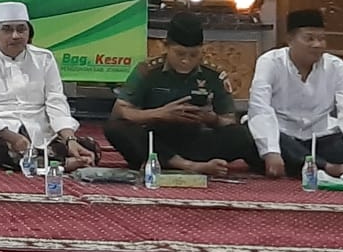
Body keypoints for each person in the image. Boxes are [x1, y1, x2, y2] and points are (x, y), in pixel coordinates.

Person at [103, 12, 258, 177]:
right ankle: (189, 166)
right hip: (155, 140)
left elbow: (229, 120)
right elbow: (120, 111)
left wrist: (210, 118)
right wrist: (160, 114)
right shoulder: (148, 70)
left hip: (194, 140)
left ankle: (177, 163)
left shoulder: (213, 74)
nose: (186, 61)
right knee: (116, 129)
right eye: (180, 54)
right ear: (166, 47)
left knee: (242, 135)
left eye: (193, 55)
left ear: (202, 50)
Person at [0, 1, 99, 171]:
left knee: (90, 146)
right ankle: (59, 164)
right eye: (7, 30)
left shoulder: (44, 58)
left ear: (29, 33)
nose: (15, 36)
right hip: (0, 132)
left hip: (41, 131)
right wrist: (11, 137)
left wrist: (70, 139)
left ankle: (41, 161)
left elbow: (56, 101)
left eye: (21, 29)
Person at [247, 8, 343, 181]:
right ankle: (329, 167)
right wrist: (271, 151)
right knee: (250, 136)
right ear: (290, 39)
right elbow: (260, 108)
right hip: (282, 138)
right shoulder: (269, 62)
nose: (317, 45)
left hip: (319, 139)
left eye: (321, 39)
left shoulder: (335, 66)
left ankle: (305, 164)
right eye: (309, 38)